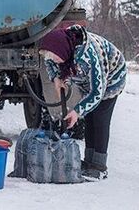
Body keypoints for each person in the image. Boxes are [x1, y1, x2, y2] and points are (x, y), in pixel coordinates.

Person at [39, 24, 127, 180]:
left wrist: (77, 111)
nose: (52, 59)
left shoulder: (89, 55)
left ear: (62, 50)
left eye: (54, 56)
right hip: (88, 81)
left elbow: (97, 92)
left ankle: (99, 166)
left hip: (112, 78)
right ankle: (89, 162)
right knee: (89, 118)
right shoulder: (59, 50)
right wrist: (56, 79)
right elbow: (49, 63)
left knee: (100, 119)